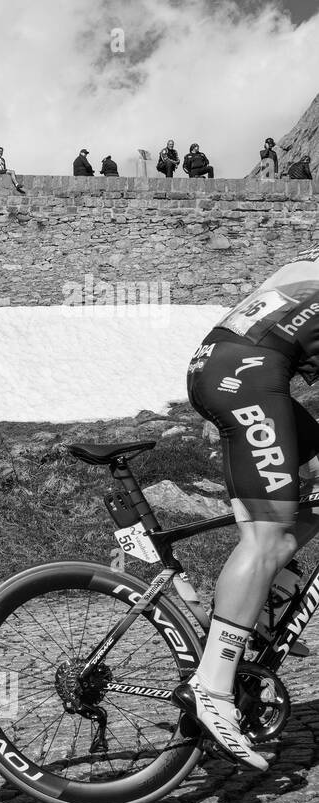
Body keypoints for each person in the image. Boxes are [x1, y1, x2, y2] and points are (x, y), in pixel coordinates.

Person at [181, 248, 319, 770]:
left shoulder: (308, 259)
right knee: (268, 535)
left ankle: (265, 596)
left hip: (226, 363)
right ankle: (213, 688)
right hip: (248, 373)